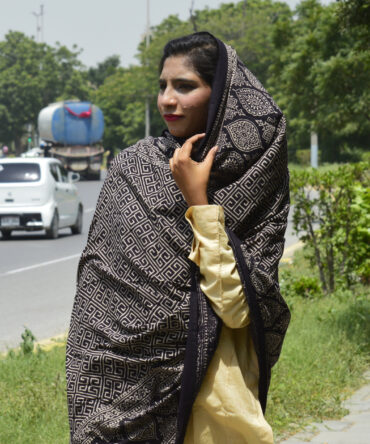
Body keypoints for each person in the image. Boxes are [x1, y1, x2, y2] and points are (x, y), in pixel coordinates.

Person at [66, 32, 290, 444]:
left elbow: (238, 310)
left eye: (185, 86)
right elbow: (97, 304)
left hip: (214, 411)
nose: (167, 100)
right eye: (162, 86)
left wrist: (198, 201)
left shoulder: (257, 178)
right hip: (118, 401)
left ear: (221, 94)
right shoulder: (135, 170)